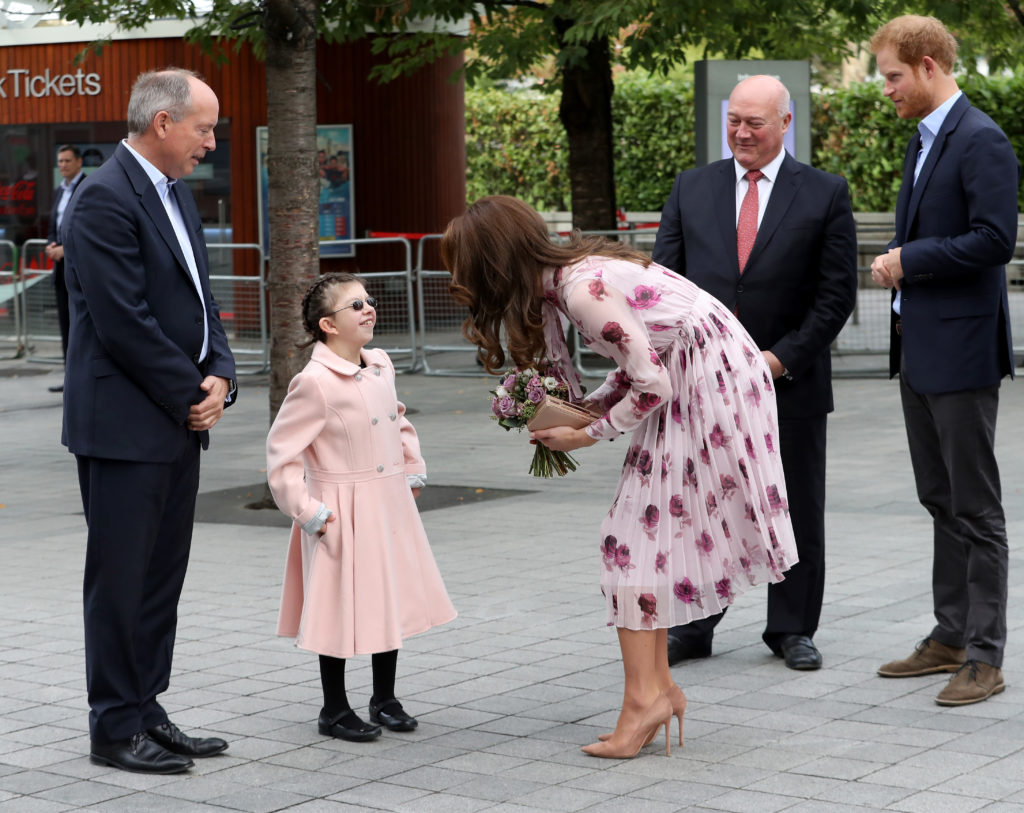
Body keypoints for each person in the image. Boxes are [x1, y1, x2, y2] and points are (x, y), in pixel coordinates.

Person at [442, 195, 799, 759]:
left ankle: (646, 700)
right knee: (640, 545)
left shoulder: (581, 289)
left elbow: (651, 384)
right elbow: (640, 370)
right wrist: (580, 412)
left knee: (628, 545)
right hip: (706, 376)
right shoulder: (570, 279)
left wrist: (586, 432)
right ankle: (653, 692)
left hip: (705, 386)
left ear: (494, 263)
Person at [61, 68, 237, 773]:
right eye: (204, 127)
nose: (210, 142)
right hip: (125, 422)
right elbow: (120, 319)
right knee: (121, 580)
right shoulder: (103, 198)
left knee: (161, 577)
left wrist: (222, 371)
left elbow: (202, 296)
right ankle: (113, 727)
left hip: (176, 414)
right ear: (163, 123)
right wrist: (190, 388)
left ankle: (146, 707)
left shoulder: (175, 195)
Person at [652, 75, 857, 672]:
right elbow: (666, 285)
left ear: (785, 124)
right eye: (734, 120)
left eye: (755, 123)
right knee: (703, 504)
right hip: (704, 384)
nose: (741, 132)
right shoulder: (692, 187)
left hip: (787, 382)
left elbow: (835, 295)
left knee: (795, 506)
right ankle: (694, 624)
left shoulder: (824, 193)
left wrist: (780, 358)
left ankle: (791, 628)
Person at [869, 16, 1019, 706]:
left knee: (977, 507)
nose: (887, 89)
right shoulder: (924, 140)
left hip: (960, 352)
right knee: (940, 499)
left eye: (894, 75)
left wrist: (909, 260)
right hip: (923, 348)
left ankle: (984, 655)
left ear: (929, 66)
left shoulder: (981, 139)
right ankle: (949, 636)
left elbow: (994, 240)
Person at [266, 273, 456, 742]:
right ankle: (333, 708)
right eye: (356, 305)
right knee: (337, 602)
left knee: (385, 594)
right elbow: (281, 455)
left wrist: (411, 466)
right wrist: (308, 511)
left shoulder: (381, 365)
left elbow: (397, 417)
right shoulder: (313, 383)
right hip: (341, 508)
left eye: (369, 301)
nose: (369, 308)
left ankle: (384, 698)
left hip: (387, 500)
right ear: (328, 325)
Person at [45, 144, 84, 392]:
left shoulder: (89, 188)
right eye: (59, 161)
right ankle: (70, 377)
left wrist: (65, 250)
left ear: (79, 162)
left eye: (67, 161)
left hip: (80, 270)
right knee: (65, 325)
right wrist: (51, 243)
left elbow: (87, 231)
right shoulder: (60, 190)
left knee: (79, 325)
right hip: (61, 270)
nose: (62, 166)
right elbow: (55, 224)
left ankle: (81, 379)